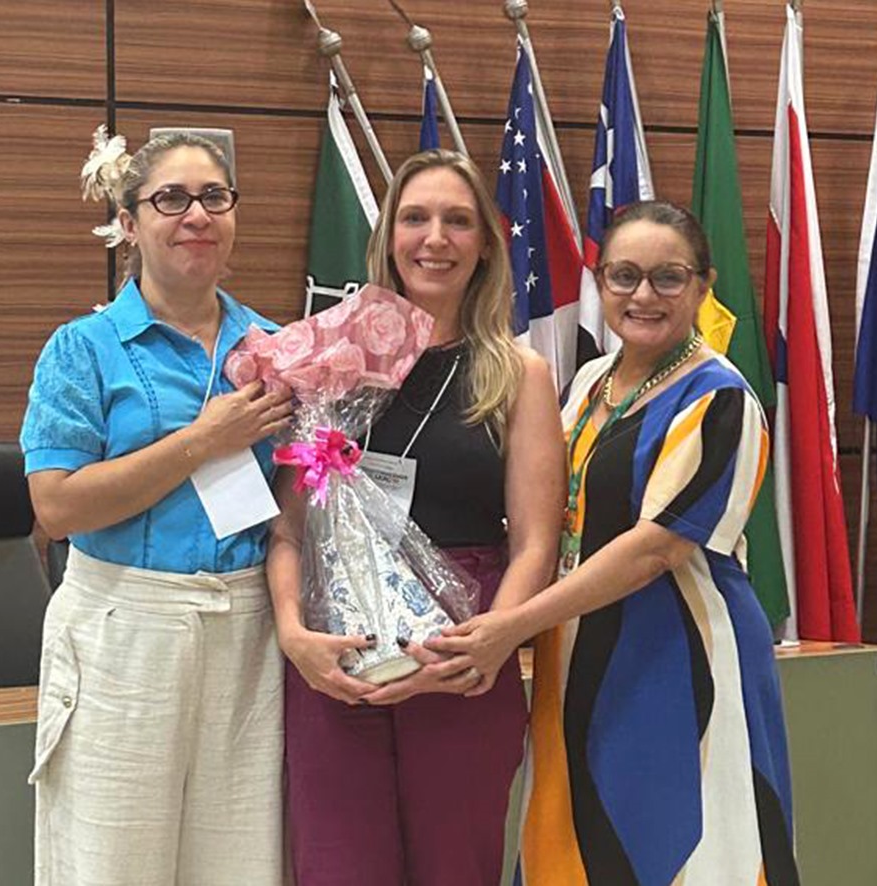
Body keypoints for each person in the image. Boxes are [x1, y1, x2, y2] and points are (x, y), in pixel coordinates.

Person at [430, 201, 801, 885]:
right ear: (600, 283)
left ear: (704, 285)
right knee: (572, 835)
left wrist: (510, 625)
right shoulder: (587, 383)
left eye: (668, 277)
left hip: (676, 657)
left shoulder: (719, 398)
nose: (643, 296)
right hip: (577, 650)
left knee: (677, 842)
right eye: (625, 276)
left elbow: (655, 550)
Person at [266, 149, 566, 885]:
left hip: (460, 655)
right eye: (416, 218)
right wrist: (294, 636)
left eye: (458, 221)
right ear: (389, 238)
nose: (435, 238)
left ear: (486, 245)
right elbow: (289, 530)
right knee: (339, 869)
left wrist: (491, 641)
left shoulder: (518, 374)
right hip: (336, 657)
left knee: (455, 868)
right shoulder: (331, 363)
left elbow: (536, 541)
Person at [20, 130, 293, 886]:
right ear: (129, 224)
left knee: (241, 865)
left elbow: (296, 503)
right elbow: (57, 506)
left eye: (214, 197)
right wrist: (203, 441)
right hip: (124, 629)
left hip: (249, 630)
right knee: (114, 864)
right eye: (170, 199)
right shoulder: (84, 349)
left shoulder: (278, 349)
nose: (196, 215)